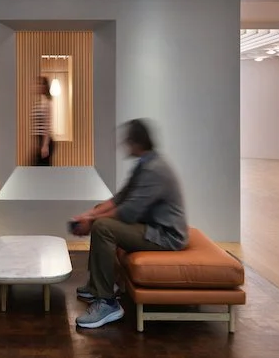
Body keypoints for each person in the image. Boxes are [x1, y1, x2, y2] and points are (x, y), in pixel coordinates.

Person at [69, 119, 189, 329]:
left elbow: (128, 211)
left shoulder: (154, 169)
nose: (124, 145)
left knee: (103, 227)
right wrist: (88, 214)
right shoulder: (145, 163)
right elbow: (120, 198)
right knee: (100, 216)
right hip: (151, 226)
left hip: (165, 236)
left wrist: (92, 221)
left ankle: (107, 302)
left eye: (127, 141)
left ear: (137, 143)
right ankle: (97, 285)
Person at [31, 77, 54, 166]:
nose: (37, 86)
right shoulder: (39, 102)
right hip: (39, 140)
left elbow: (47, 125)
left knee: (41, 170)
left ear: (44, 87)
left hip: (44, 140)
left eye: (39, 84)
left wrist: (45, 145)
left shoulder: (47, 103)